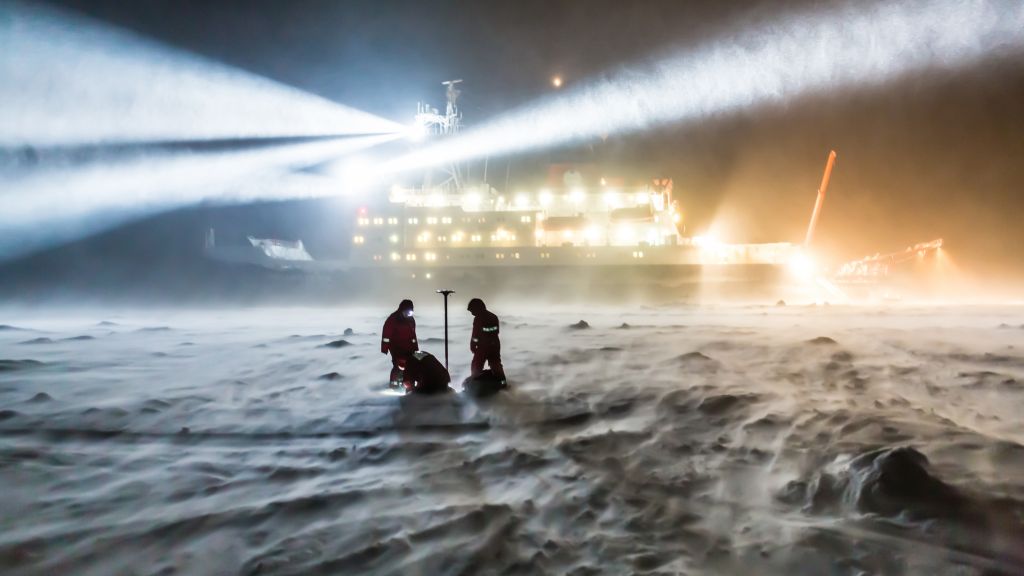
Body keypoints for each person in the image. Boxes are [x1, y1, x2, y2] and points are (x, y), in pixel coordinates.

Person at [467, 298, 506, 387]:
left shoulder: (478, 318)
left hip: (484, 346)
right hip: (495, 345)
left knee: (476, 365)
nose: (472, 313)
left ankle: (474, 384)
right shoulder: (493, 316)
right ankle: (503, 383)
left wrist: (473, 345)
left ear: (477, 308)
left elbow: (475, 334)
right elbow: (496, 331)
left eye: (472, 311)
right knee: (496, 365)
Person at [381, 299, 418, 388]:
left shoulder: (411, 320)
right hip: (396, 347)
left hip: (409, 347)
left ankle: (410, 385)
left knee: (412, 364)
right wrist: (385, 348)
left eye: (410, 312)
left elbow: (413, 336)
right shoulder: (393, 319)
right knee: (399, 365)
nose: (409, 314)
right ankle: (394, 385)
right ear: (402, 310)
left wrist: (416, 349)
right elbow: (386, 335)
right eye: (407, 312)